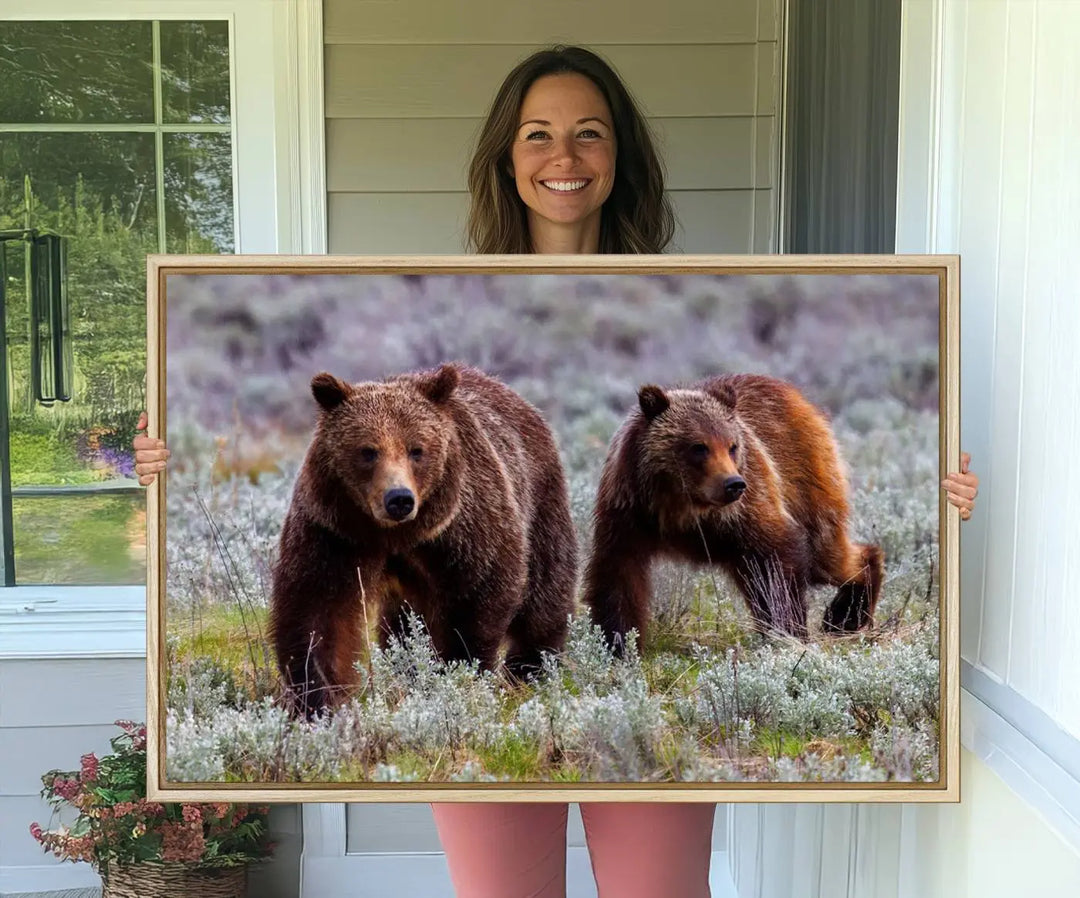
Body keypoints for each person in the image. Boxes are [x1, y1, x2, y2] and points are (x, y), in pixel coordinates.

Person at [134, 45, 980, 898]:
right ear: (507, 156)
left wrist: (949, 498)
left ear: (622, 156)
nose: (564, 157)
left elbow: (517, 576)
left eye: (589, 134)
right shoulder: (386, 382)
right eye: (538, 134)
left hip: (523, 566)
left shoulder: (692, 289)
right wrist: (158, 470)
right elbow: (316, 598)